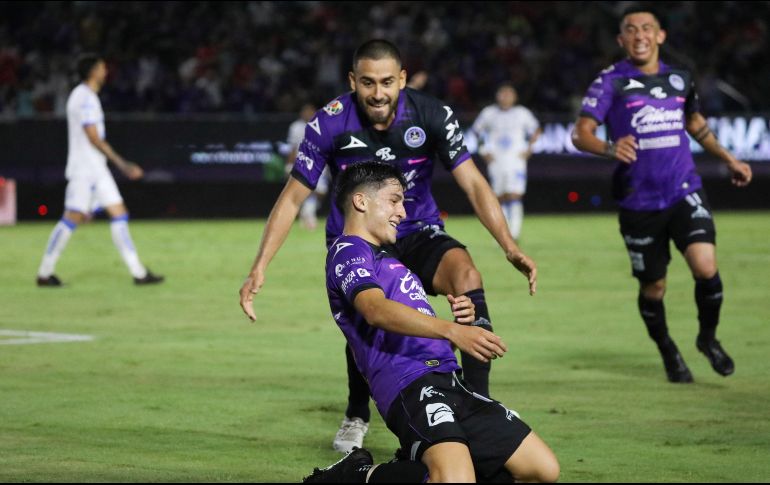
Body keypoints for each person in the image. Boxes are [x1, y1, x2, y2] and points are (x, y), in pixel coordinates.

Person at [239, 39, 537, 453]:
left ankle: (476, 400)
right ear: (352, 81)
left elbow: (472, 182)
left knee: (467, 275)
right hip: (360, 238)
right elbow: (292, 198)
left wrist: (508, 245)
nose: (377, 93)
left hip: (417, 229)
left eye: (385, 82)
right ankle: (357, 414)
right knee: (369, 316)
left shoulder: (432, 114)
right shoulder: (330, 123)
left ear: (401, 79)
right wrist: (260, 266)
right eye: (366, 83)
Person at [302, 161, 559, 483]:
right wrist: (453, 330)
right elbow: (375, 310)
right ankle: (358, 475)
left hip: (449, 377)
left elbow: (413, 325)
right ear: (361, 201)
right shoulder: (347, 249)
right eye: (394, 200)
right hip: (407, 383)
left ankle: (417, 466)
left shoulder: (391, 261)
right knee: (455, 480)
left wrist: (455, 320)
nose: (402, 212)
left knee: (542, 471)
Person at [571, 8, 752, 383]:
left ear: (661, 36)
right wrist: (609, 148)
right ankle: (668, 349)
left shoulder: (680, 79)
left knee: (705, 266)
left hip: (684, 189)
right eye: (632, 30)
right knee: (654, 287)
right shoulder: (611, 82)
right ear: (621, 40)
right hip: (638, 201)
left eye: (647, 28)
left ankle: (707, 338)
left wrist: (730, 159)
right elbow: (580, 133)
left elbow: (695, 124)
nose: (640, 35)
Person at [36, 54, 163, 287]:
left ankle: (139, 273)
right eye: (103, 67)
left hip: (96, 168)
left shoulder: (86, 96)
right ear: (93, 71)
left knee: (119, 212)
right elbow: (93, 136)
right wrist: (122, 164)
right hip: (85, 169)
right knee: (72, 217)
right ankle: (44, 273)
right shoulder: (84, 97)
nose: (106, 70)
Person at [472, 83, 542, 241]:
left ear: (515, 97)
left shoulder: (522, 113)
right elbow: (477, 131)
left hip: (516, 160)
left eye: (509, 94)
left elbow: (536, 130)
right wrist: (484, 151)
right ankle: (502, 234)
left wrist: (529, 149)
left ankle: (515, 233)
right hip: (496, 160)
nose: (505, 97)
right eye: (502, 94)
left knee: (514, 195)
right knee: (499, 197)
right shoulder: (489, 113)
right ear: (497, 96)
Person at [286, 103, 330, 230]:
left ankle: (307, 211)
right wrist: (289, 164)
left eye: (310, 111)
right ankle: (308, 214)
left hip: (319, 164)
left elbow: (326, 147)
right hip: (301, 163)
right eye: (305, 111)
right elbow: (293, 148)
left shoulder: (322, 125)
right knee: (305, 190)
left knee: (321, 191)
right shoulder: (295, 127)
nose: (307, 114)